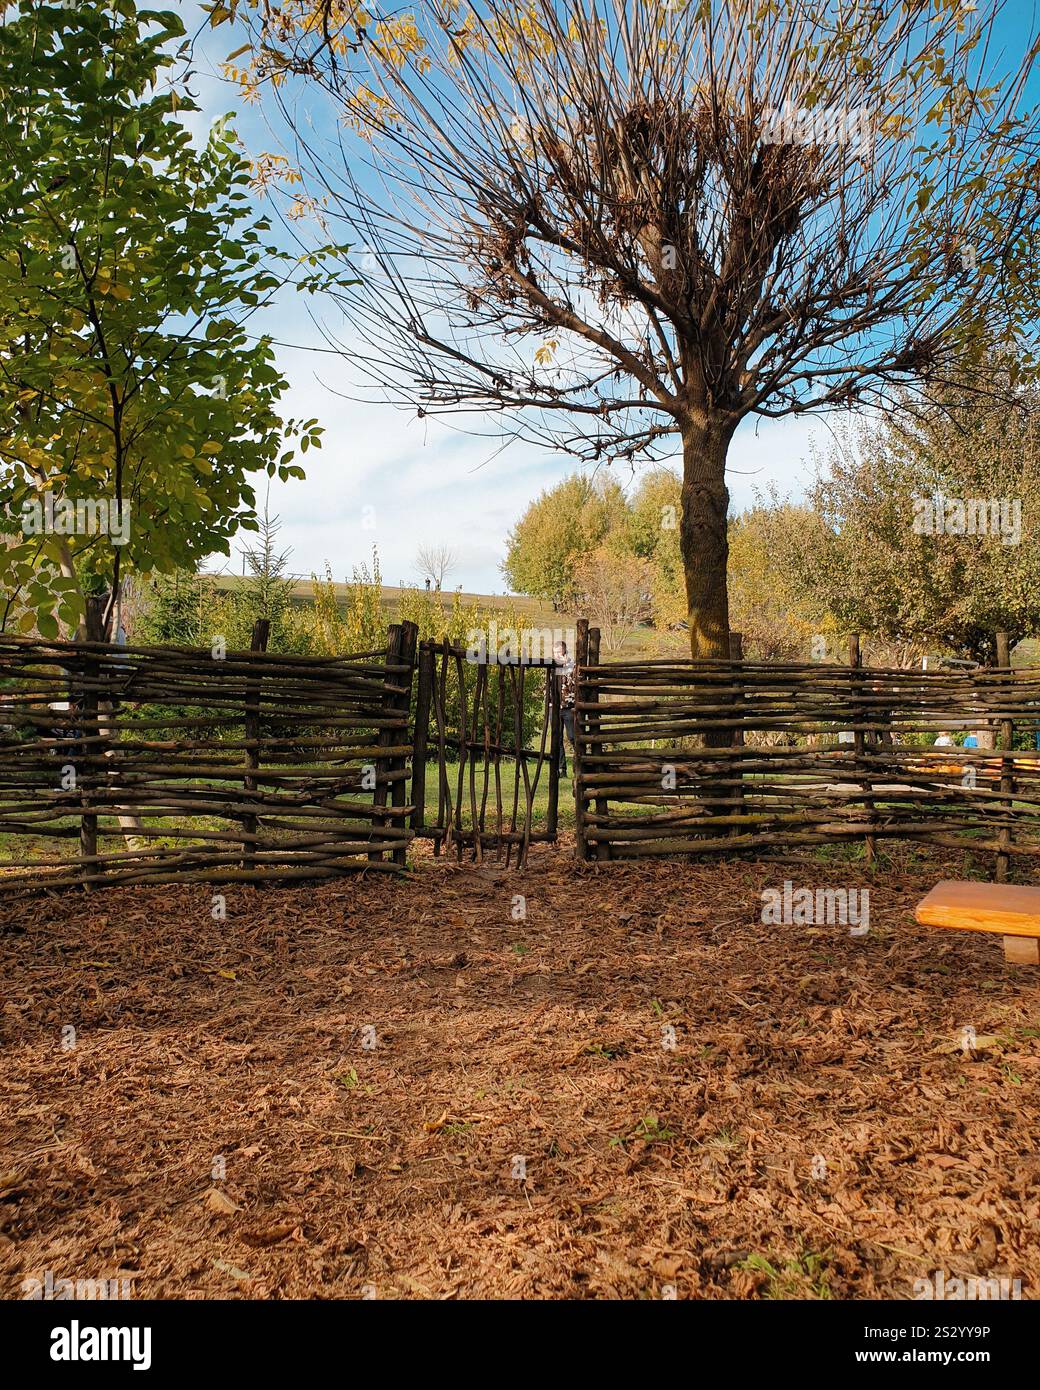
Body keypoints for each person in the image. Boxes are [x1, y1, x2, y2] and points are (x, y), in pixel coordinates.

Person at [553, 638, 576, 777]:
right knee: (557, 739)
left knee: (572, 737)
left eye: (559, 652)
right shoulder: (551, 666)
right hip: (554, 707)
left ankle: (579, 764)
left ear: (565, 652)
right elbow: (546, 685)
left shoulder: (572, 666)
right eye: (555, 652)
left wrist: (566, 666)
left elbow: (574, 684)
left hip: (569, 706)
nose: (557, 655)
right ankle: (561, 769)